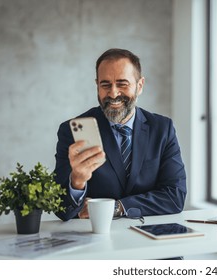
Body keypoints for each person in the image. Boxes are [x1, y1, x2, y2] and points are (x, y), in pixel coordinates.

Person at [54, 48, 187, 221]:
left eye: (122, 84)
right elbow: (62, 210)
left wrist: (117, 207)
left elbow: (175, 197)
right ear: (97, 86)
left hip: (148, 236)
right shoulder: (71, 132)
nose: (113, 93)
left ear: (140, 86)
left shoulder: (163, 128)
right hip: (94, 238)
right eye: (105, 85)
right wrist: (77, 182)